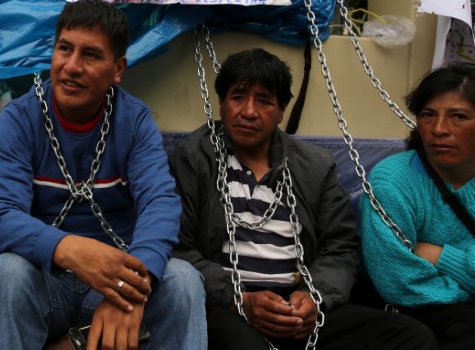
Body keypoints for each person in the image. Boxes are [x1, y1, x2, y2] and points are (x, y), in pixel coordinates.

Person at [0, 0, 206, 350]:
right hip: (46, 280)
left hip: (115, 276)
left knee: (183, 281)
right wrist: (69, 249)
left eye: (91, 55)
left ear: (118, 69)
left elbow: (160, 203)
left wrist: (129, 289)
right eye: (64, 49)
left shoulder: (135, 120)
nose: (71, 66)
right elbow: (0, 214)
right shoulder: (20, 118)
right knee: (6, 273)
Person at [170, 47, 437, 350]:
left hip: (297, 305)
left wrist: (315, 296)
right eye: (238, 97)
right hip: (226, 304)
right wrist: (237, 299)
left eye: (265, 101)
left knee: (412, 337)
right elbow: (177, 249)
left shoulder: (315, 166)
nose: (249, 111)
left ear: (282, 110)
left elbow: (340, 248)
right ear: (221, 103)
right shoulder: (193, 159)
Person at [360, 63, 475, 349]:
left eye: (458, 117)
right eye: (427, 115)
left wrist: (440, 255)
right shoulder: (393, 181)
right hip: (417, 310)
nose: (438, 129)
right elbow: (398, 280)